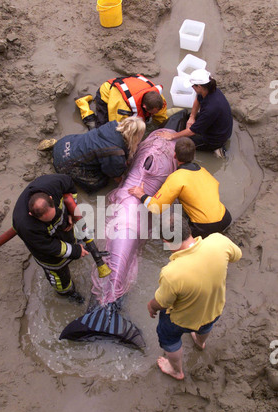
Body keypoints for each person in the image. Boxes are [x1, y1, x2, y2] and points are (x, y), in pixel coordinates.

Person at [147, 215, 242, 380]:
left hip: (181, 320)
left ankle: (176, 370)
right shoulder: (219, 241)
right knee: (206, 326)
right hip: (213, 307)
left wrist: (152, 306)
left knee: (169, 338)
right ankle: (200, 342)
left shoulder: (172, 273)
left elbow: (163, 303)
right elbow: (237, 255)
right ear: (188, 229)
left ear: (166, 241)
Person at [128, 136, 232, 238]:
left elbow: (156, 207)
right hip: (225, 218)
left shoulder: (176, 178)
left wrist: (141, 194)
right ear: (193, 155)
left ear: (174, 155)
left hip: (204, 227)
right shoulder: (204, 171)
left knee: (167, 233)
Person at [12, 174, 89, 303]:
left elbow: (70, 187)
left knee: (72, 241)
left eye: (53, 215)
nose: (53, 219)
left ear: (51, 198)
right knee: (59, 277)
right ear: (32, 215)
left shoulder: (53, 183)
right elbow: (50, 247)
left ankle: (74, 249)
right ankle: (67, 293)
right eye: (48, 220)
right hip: (49, 255)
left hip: (65, 229)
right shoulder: (25, 225)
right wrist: (76, 251)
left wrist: (71, 212)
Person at [37, 117, 146, 193]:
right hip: (65, 164)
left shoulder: (111, 125)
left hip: (65, 144)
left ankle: (55, 146)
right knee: (100, 182)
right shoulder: (115, 152)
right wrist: (126, 183)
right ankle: (56, 161)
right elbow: (114, 175)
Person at [157, 69, 233, 157]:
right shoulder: (209, 90)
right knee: (188, 116)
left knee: (184, 144)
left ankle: (218, 148)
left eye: (193, 86)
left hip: (215, 138)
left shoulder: (211, 108)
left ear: (199, 87)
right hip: (215, 123)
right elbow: (198, 99)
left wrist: (172, 136)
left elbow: (192, 132)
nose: (192, 88)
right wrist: (192, 117)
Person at [75, 74, 168, 130]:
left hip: (125, 89)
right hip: (107, 94)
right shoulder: (123, 109)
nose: (155, 114)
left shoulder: (157, 99)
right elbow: (115, 127)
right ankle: (83, 105)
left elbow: (161, 116)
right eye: (153, 113)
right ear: (144, 106)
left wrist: (163, 128)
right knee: (100, 130)